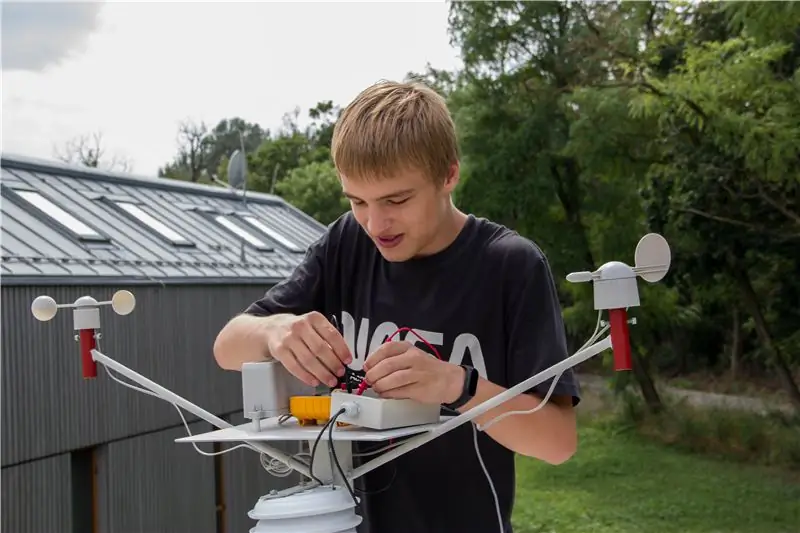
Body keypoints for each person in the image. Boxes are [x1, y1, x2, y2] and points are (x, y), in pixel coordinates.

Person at [213, 80, 581, 533]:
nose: (375, 223)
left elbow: (558, 441)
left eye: (397, 200)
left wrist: (457, 384)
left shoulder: (509, 265)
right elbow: (227, 348)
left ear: (448, 175)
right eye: (357, 200)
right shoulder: (347, 242)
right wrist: (274, 331)